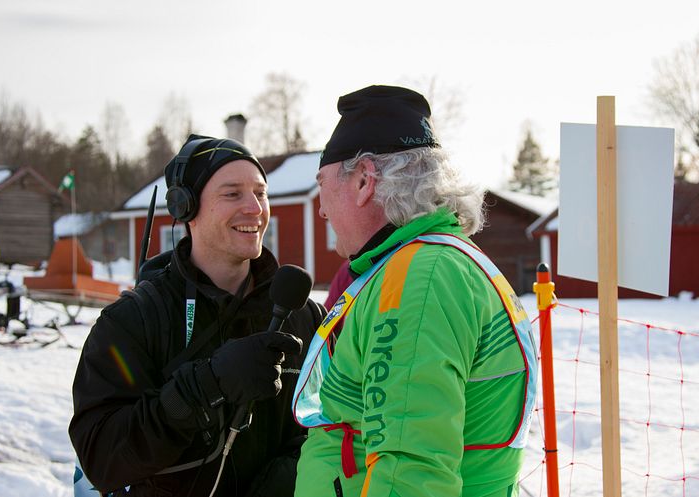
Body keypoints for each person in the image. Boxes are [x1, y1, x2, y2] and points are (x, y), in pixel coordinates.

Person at [293, 86, 538, 497]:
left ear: (363, 181)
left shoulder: (418, 279)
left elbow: (410, 470)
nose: (321, 208)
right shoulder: (433, 263)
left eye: (323, 184)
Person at [69, 135, 325, 497]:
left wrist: (288, 475)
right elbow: (101, 458)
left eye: (260, 193)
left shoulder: (303, 314)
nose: (255, 208)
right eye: (232, 193)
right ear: (186, 207)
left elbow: (339, 425)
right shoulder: (134, 321)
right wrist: (203, 387)